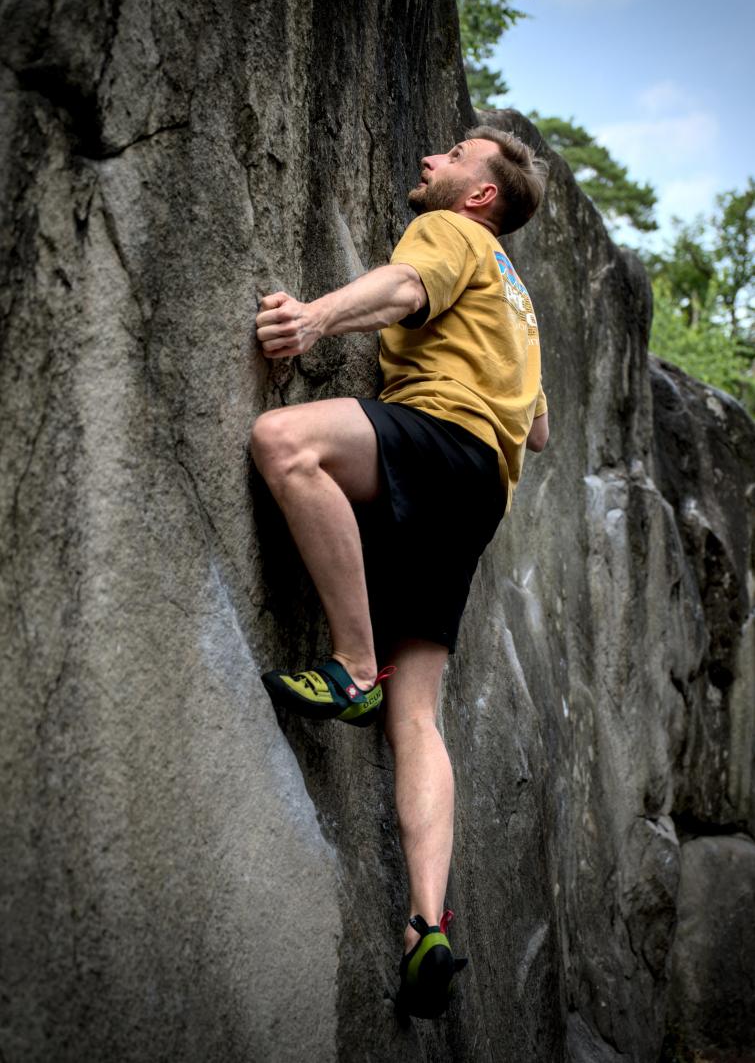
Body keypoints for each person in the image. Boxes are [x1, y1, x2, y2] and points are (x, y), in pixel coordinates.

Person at [250, 125, 549, 1018]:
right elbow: (539, 430)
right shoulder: (519, 300)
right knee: (416, 713)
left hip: (438, 439)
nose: (431, 159)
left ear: (480, 194)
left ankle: (350, 665)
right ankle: (426, 924)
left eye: (453, 156)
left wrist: (314, 318)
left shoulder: (452, 231)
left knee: (284, 440)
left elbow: (407, 288)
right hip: (481, 492)